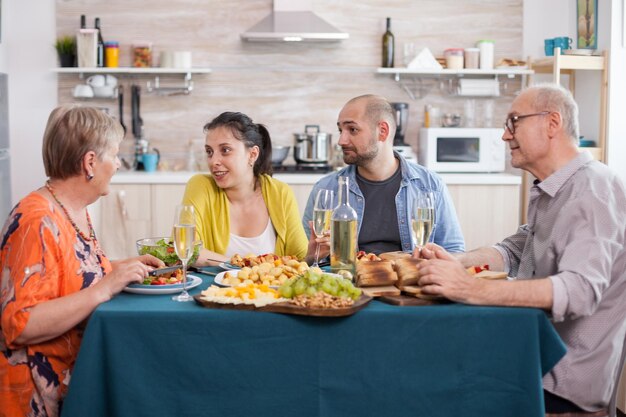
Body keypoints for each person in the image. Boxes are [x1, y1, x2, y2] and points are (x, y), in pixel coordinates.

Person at [416, 84, 626, 415]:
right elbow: (517, 251)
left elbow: (580, 290)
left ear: (552, 123)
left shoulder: (593, 191)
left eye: (514, 121)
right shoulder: (555, 187)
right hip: (534, 355)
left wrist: (469, 289)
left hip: (563, 379)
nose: (504, 135)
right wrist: (456, 261)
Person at [0, 105, 164, 417]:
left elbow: (76, 272)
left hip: (73, 377)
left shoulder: (72, 208)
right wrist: (105, 288)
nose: (117, 165)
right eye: (114, 155)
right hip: (33, 396)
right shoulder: (36, 221)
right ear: (90, 162)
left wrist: (127, 266)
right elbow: (19, 325)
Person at [302, 94, 465, 256]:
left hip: (410, 281)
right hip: (348, 280)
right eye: (340, 130)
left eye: (352, 129)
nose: (341, 140)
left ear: (382, 131)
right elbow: (304, 260)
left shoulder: (430, 185)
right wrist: (312, 255)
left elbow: (454, 251)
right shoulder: (326, 189)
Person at [182, 112, 310, 264]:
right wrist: (244, 266)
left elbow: (300, 258)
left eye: (225, 150)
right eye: (209, 152)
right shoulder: (200, 186)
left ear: (252, 154)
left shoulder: (280, 193)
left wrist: (315, 253)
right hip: (213, 288)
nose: (213, 161)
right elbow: (185, 249)